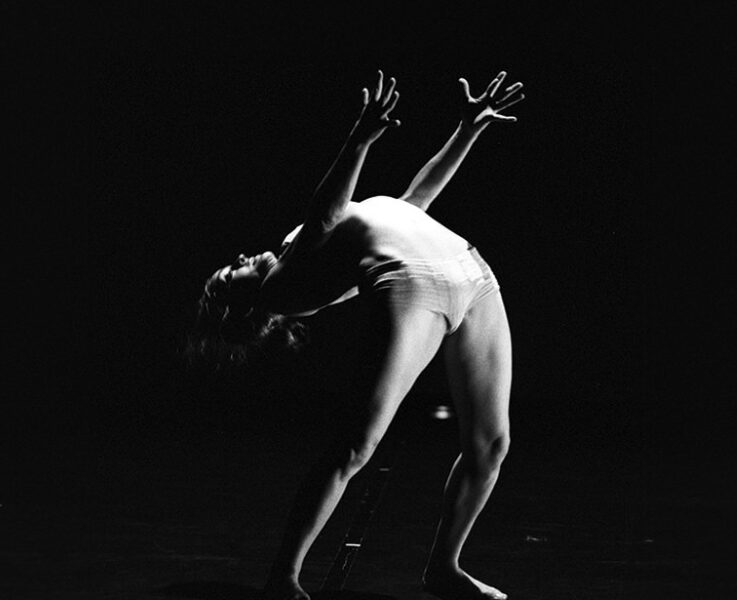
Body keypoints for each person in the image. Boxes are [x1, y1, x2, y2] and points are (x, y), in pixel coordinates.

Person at [193, 69, 525, 600]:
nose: (239, 258)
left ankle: (444, 568)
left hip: (471, 271)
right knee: (355, 445)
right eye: (231, 273)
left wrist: (467, 130)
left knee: (492, 443)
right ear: (244, 306)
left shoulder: (312, 260)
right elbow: (323, 218)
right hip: (416, 285)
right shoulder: (282, 287)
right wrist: (359, 139)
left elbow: (413, 203)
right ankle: (285, 576)